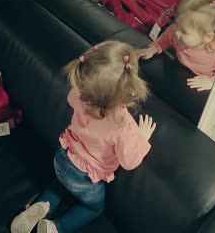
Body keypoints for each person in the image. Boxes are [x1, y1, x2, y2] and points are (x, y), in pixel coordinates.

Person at [11, 40, 157, 233]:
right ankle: (56, 227)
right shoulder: (124, 125)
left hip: (62, 157)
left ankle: (42, 205)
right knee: (94, 208)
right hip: (86, 178)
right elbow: (128, 161)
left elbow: (72, 97)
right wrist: (142, 138)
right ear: (130, 90)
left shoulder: (80, 95)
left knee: (60, 184)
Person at [138, 0, 215, 91]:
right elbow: (164, 40)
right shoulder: (175, 31)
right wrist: (153, 49)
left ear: (207, 37)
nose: (176, 32)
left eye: (184, 31)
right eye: (177, 23)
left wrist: (212, 81)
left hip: (204, 78)